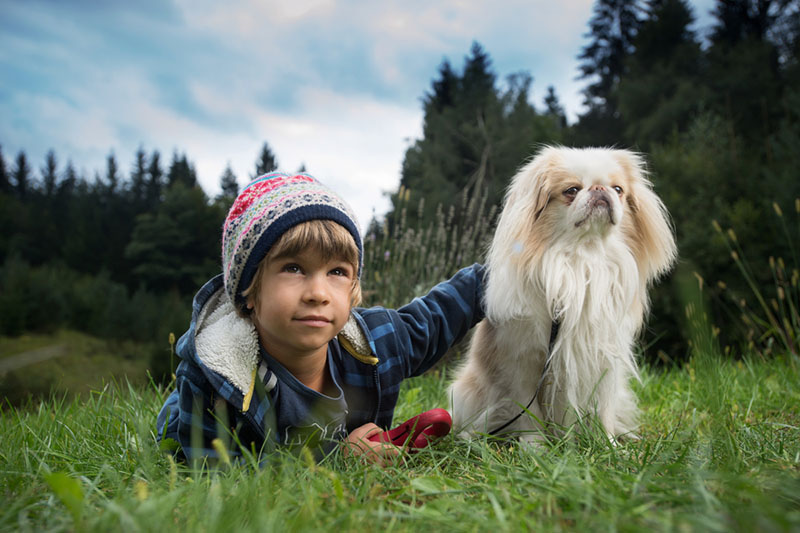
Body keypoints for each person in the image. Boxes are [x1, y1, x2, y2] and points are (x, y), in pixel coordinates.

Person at [156, 172, 485, 465]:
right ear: (249, 290)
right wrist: (336, 459)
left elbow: (443, 312)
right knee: (175, 433)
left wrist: (510, 267)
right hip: (189, 426)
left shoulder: (377, 342)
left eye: (337, 272)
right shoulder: (214, 380)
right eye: (294, 268)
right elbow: (218, 475)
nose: (318, 293)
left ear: (354, 289)